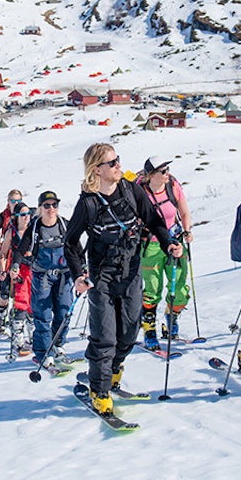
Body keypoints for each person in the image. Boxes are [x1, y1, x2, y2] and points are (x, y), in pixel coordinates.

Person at [66, 143, 183, 417]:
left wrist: (169, 244)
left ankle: (114, 370)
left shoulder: (132, 191)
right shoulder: (88, 202)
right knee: (105, 337)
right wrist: (78, 275)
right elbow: (70, 242)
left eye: (118, 160)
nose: (118, 165)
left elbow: (154, 221)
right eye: (112, 163)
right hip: (101, 277)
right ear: (97, 170)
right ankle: (100, 389)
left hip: (131, 271)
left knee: (129, 333)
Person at [137, 156, 193, 349]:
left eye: (167, 169)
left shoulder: (172, 186)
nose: (167, 174)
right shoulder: (140, 192)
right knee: (152, 289)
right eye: (163, 171)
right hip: (151, 245)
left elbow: (184, 212)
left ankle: (171, 316)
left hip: (175, 242)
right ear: (151, 175)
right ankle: (149, 329)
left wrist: (187, 231)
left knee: (179, 287)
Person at [19, 190, 74, 369]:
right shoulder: (34, 228)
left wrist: (83, 270)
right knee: (43, 315)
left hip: (64, 276)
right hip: (42, 276)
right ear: (41, 208)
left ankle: (58, 345)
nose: (51, 209)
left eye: (54, 205)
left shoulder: (64, 225)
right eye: (47, 205)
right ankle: (44, 353)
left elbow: (76, 248)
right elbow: (21, 248)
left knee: (64, 312)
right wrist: (14, 266)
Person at [0, 190, 24, 336]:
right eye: (13, 201)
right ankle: (1, 319)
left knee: (20, 291)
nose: (15, 203)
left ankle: (17, 321)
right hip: (6, 256)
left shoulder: (25, 214)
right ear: (8, 202)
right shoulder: (2, 217)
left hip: (21, 257)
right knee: (4, 292)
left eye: (18, 200)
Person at [6, 201, 35, 360]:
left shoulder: (34, 230)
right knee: (21, 304)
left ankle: (33, 338)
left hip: (34, 270)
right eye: (22, 215)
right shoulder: (12, 232)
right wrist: (5, 270)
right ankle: (19, 340)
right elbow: (4, 253)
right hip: (19, 272)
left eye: (27, 214)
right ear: (16, 217)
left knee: (34, 305)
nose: (26, 218)